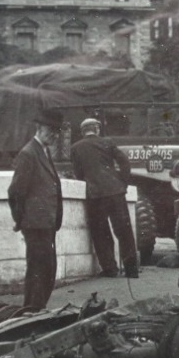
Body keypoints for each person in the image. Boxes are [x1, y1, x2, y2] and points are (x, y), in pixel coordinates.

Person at [7, 109, 64, 312]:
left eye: (57, 131)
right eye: (51, 130)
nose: (55, 135)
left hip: (45, 222)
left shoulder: (43, 151)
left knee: (46, 269)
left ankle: (35, 309)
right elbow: (15, 191)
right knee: (39, 269)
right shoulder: (28, 153)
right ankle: (32, 310)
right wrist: (21, 219)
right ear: (39, 128)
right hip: (35, 223)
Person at [70, 117, 139, 279]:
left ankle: (110, 269)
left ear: (83, 131)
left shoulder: (76, 148)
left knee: (100, 233)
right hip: (116, 192)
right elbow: (125, 162)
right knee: (124, 231)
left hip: (95, 195)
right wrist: (123, 182)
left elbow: (78, 173)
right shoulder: (108, 142)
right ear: (97, 129)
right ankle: (131, 270)